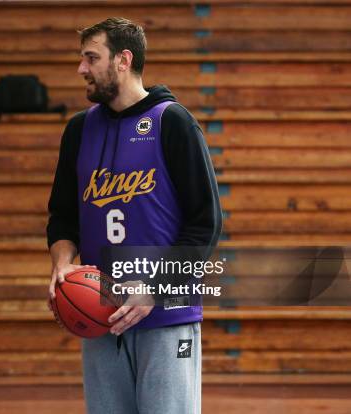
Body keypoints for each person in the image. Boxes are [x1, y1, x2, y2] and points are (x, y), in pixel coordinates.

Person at [47, 18, 222, 414]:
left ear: (123, 60)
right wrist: (61, 265)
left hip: (165, 313)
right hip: (99, 314)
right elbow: (62, 216)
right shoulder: (78, 130)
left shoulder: (172, 122)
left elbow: (205, 224)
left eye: (91, 58)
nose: (81, 69)